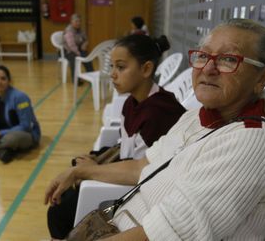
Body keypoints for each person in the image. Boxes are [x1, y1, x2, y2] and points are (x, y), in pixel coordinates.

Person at [45, 19, 265, 240]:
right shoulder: (196, 117)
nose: (208, 68)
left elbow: (165, 234)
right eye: (203, 56)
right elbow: (143, 166)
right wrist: (81, 172)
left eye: (229, 59)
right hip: (118, 223)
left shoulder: (249, 141)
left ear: (262, 78)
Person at [46, 34, 186, 240]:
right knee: (66, 193)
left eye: (120, 67)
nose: (112, 74)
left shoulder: (160, 112)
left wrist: (93, 169)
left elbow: (143, 170)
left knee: (59, 212)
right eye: (111, 67)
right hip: (130, 172)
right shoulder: (132, 102)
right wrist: (94, 161)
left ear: (146, 69)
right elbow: (126, 147)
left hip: (143, 189)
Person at [63, 13, 93, 84]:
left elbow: (86, 39)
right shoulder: (69, 31)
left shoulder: (81, 30)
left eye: (79, 21)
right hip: (68, 51)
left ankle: (91, 76)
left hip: (78, 49)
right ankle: (76, 80)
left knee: (87, 57)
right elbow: (71, 45)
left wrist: (85, 44)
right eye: (76, 21)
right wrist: (79, 54)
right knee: (75, 59)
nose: (78, 23)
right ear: (71, 22)